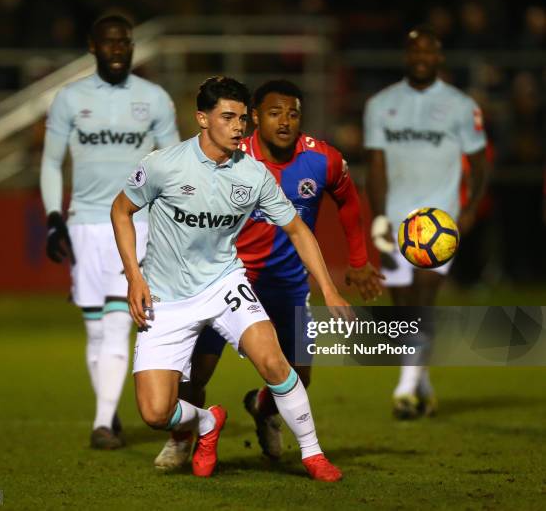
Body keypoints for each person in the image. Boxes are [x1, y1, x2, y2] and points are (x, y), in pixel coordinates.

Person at [111, 76, 346, 481]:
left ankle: (313, 453)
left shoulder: (253, 175)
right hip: (165, 298)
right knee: (154, 413)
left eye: (242, 118)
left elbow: (297, 229)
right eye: (228, 117)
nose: (239, 127)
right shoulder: (163, 165)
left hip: (224, 284)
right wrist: (134, 276)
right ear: (202, 119)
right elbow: (121, 211)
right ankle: (206, 422)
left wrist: (328, 288)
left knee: (275, 362)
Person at [154, 79, 384, 469]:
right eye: (274, 113)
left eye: (293, 114)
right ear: (256, 117)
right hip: (226, 278)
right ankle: (181, 438)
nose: (285, 122)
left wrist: (359, 260)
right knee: (198, 369)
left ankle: (263, 408)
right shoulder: (230, 155)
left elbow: (348, 201)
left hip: (288, 283)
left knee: (298, 377)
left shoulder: (322, 160)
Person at [39, 14, 180, 448]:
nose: (118, 49)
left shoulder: (154, 98)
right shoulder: (69, 98)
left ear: (133, 47)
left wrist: (171, 217)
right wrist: (52, 218)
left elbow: (174, 162)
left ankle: (101, 422)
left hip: (135, 223)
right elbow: (49, 162)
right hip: (84, 224)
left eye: (125, 43)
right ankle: (108, 405)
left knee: (120, 322)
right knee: (96, 328)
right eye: (110, 42)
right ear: (92, 46)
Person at [364, 26, 487, 419]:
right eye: (414, 51)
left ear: (439, 58)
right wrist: (379, 216)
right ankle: (421, 383)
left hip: (440, 221)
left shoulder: (461, 106)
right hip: (396, 218)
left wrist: (468, 211)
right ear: (407, 56)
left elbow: (480, 165)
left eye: (428, 52)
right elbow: (377, 166)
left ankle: (403, 390)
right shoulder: (381, 104)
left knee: (424, 296)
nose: (421, 58)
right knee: (402, 307)